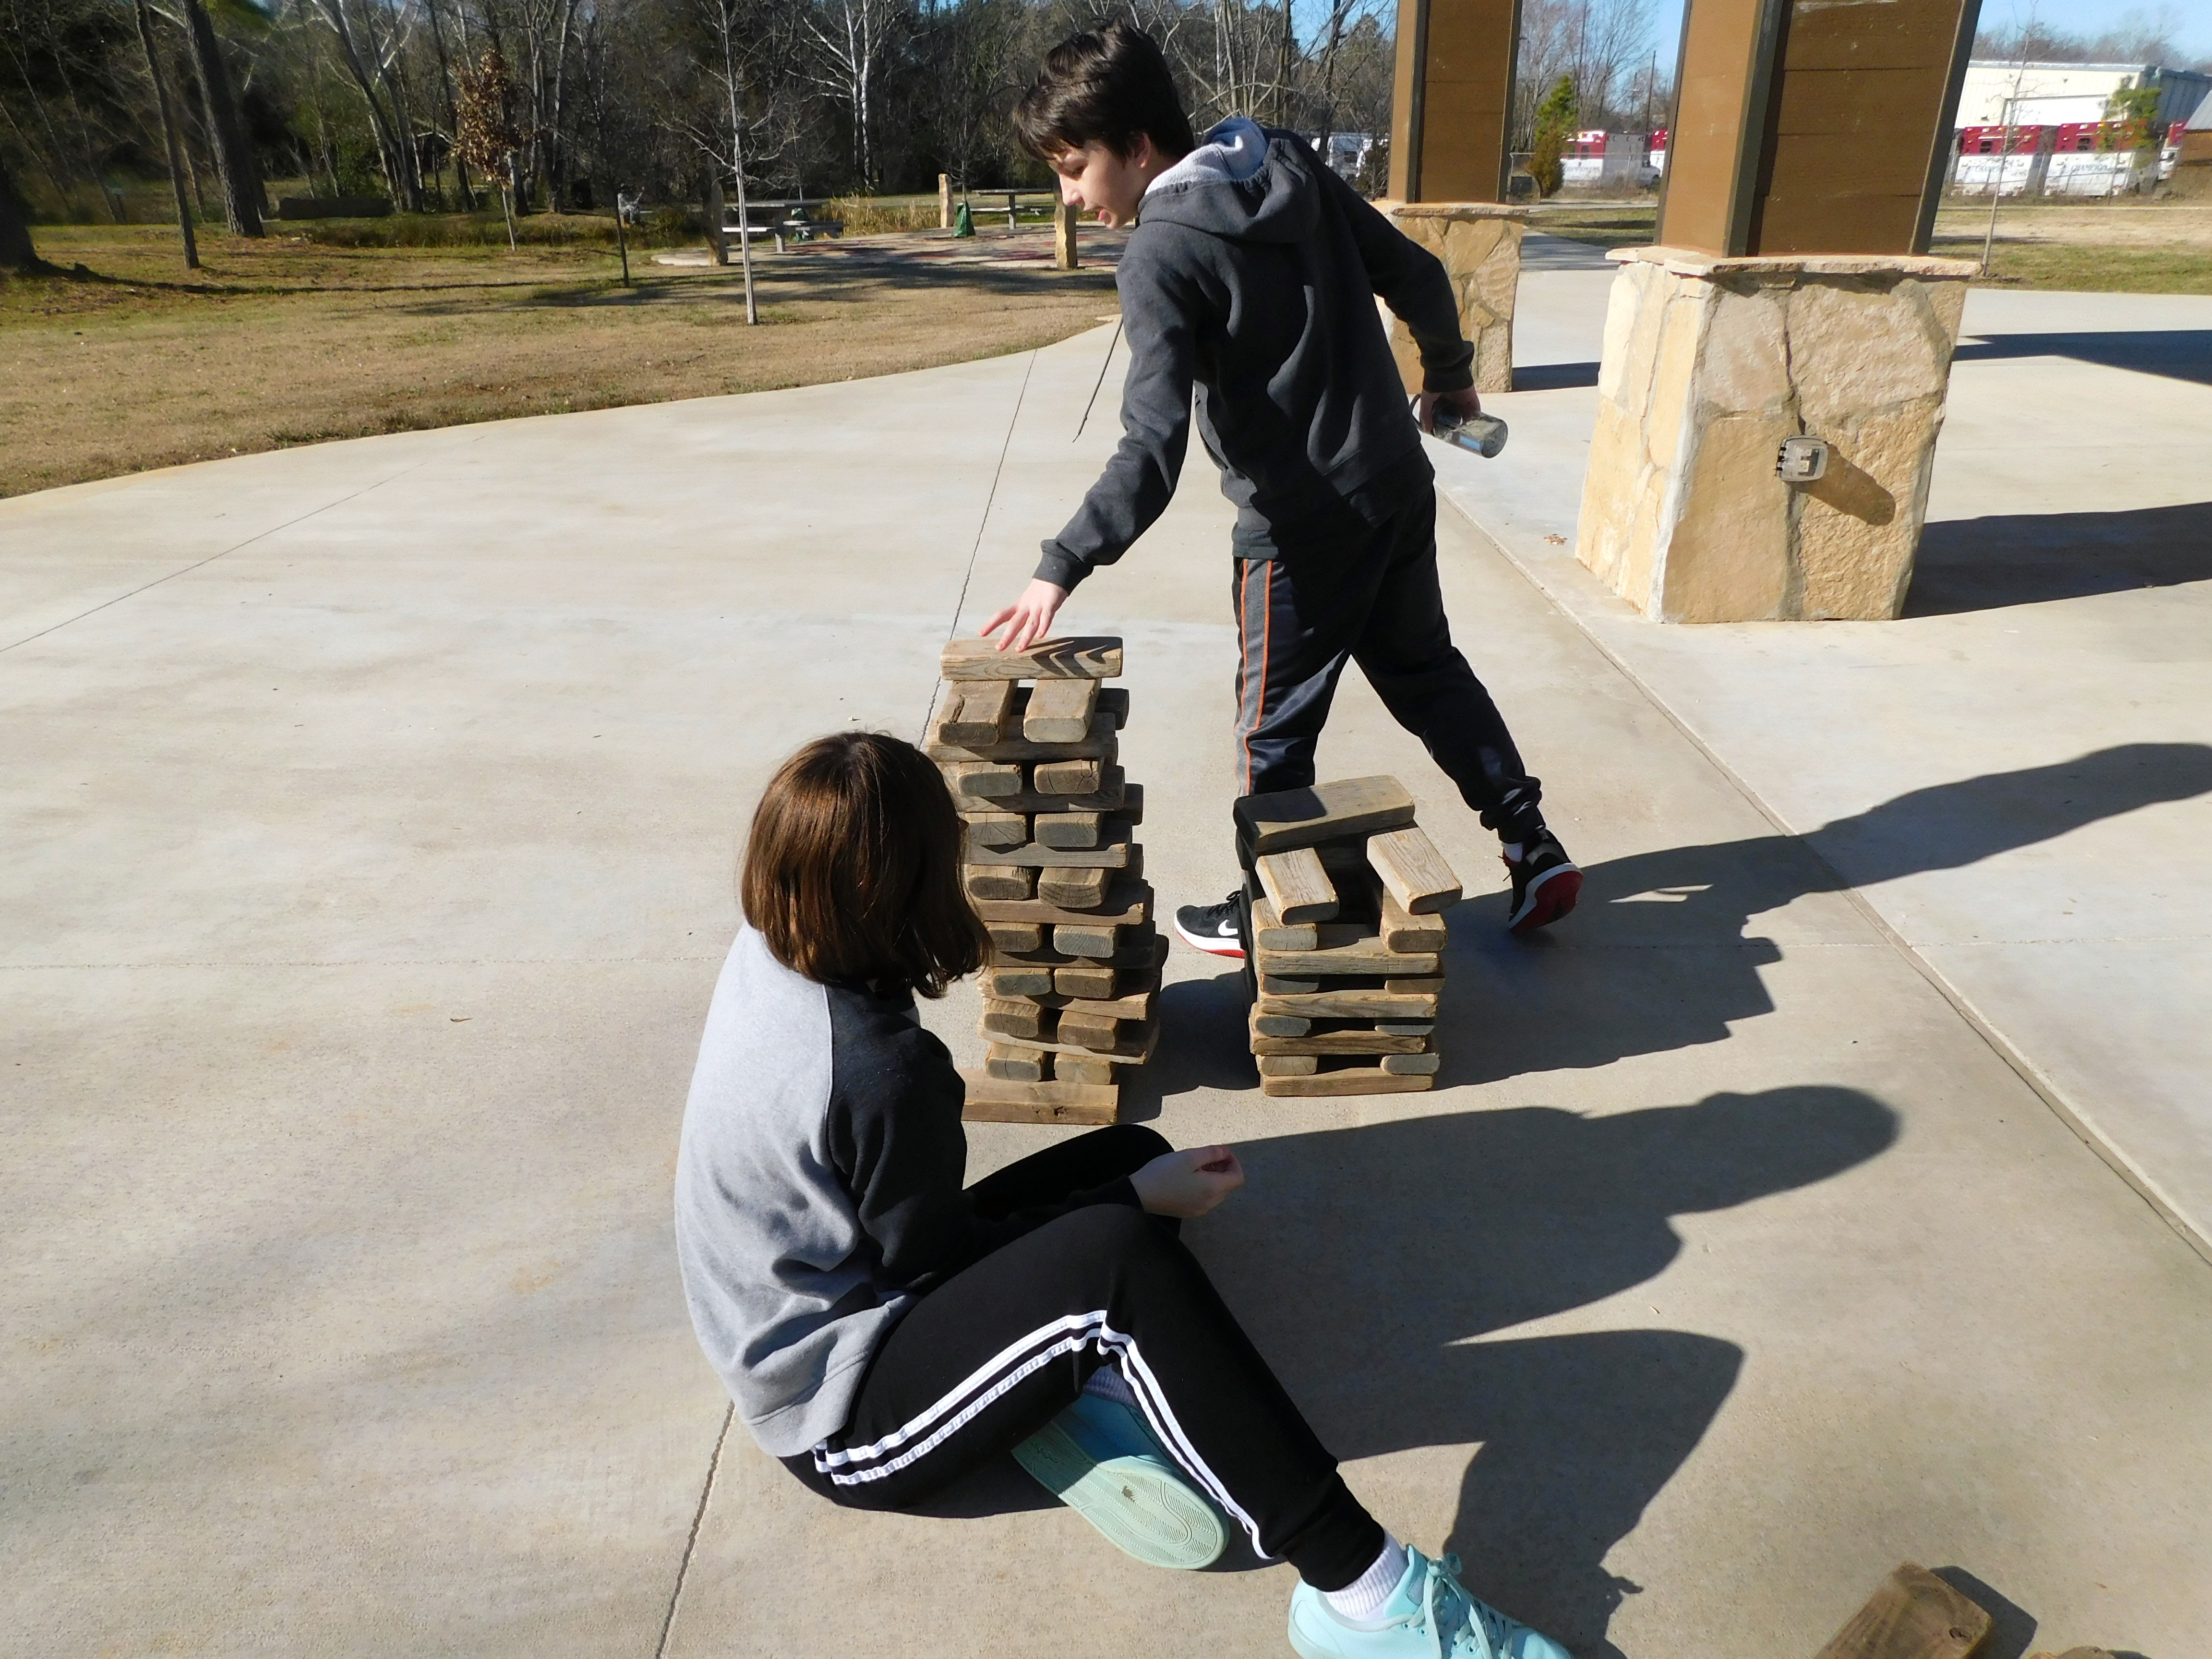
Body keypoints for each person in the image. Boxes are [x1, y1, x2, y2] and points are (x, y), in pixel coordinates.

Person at [674, 731, 1571, 1659]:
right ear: (914, 885)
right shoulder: (878, 1072)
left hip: (842, 1296)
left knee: (1133, 1157)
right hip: (842, 1416)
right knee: (1121, 1254)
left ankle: (1076, 1386)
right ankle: (1364, 1595)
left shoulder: (778, 947)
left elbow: (915, 1234)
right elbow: (937, 1268)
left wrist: (1130, 1189)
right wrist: (1132, 1208)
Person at [982, 23, 1582, 956]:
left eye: (1073, 167)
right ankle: (1531, 843)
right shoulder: (1286, 161)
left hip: (1299, 534)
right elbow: (1417, 274)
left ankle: (1266, 911)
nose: (1069, 196)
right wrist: (1450, 376)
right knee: (1427, 673)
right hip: (1395, 484)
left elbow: (1151, 447)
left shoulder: (1158, 253)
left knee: (1272, 736)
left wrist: (1059, 566)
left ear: (1135, 147)